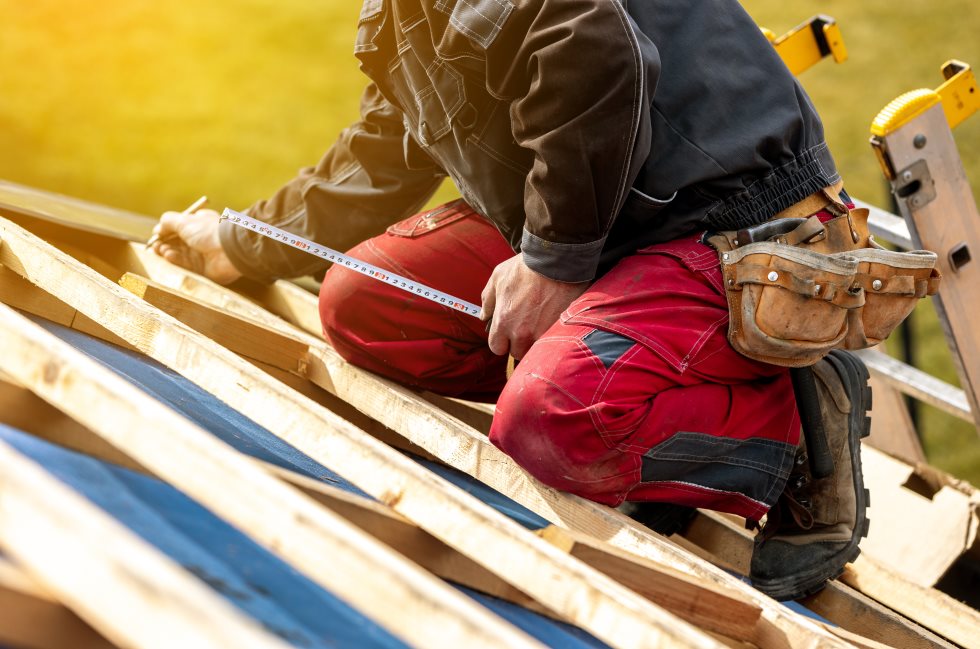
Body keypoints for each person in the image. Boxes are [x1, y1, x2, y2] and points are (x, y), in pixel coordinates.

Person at [150, 0, 871, 601]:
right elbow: (383, 152)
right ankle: (635, 397)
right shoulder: (402, 14)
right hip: (607, 225)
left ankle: (795, 428)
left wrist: (551, 260)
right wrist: (237, 243)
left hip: (737, 223)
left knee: (548, 425)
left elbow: (596, 49)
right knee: (367, 303)